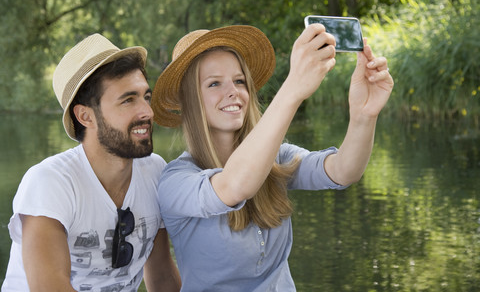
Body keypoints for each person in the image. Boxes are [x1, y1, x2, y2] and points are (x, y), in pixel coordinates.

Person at [151, 24, 394, 291]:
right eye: (214, 83)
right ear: (190, 101)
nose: (233, 91)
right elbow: (234, 186)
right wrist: (293, 89)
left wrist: (364, 116)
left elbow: (342, 171)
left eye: (240, 81)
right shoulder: (176, 181)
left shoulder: (276, 157)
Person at [2, 34, 181, 291]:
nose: (147, 112)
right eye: (128, 100)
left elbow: (163, 277)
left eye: (146, 97)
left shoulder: (155, 171)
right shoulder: (50, 182)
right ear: (85, 115)